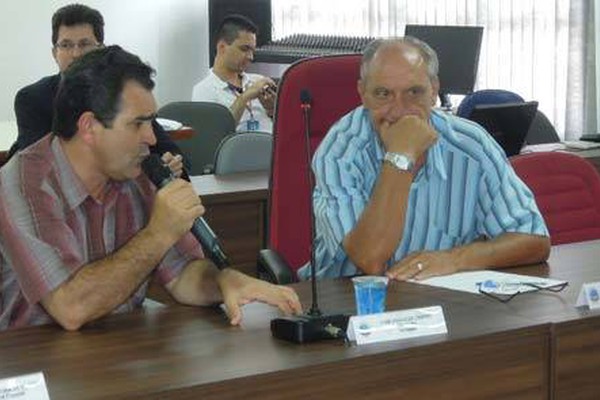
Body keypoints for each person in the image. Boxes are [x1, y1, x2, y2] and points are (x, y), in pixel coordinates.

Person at [0, 45, 301, 331]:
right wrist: (159, 232)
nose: (152, 139)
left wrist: (224, 282)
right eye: (137, 124)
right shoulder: (25, 184)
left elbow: (183, 273)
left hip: (114, 352)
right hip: (33, 364)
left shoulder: (137, 170)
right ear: (89, 127)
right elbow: (71, 307)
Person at [298, 37, 550, 280]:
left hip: (443, 300)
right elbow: (371, 260)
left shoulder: (471, 144)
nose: (399, 110)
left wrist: (454, 259)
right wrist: (401, 155)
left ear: (434, 91)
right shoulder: (340, 151)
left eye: (414, 92)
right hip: (348, 302)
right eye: (383, 94)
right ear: (362, 93)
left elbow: (534, 240)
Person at [10, 4, 185, 175]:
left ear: (101, 50)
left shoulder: (125, 96)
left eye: (84, 44)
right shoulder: (32, 99)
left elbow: (170, 152)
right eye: (66, 45)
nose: (76, 54)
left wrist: (170, 162)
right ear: (54, 53)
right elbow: (38, 166)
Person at [192, 14, 275, 133]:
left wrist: (272, 110)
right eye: (244, 49)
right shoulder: (204, 90)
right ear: (222, 47)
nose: (250, 57)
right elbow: (214, 136)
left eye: (252, 50)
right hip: (239, 150)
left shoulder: (258, 81)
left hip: (272, 148)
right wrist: (245, 97)